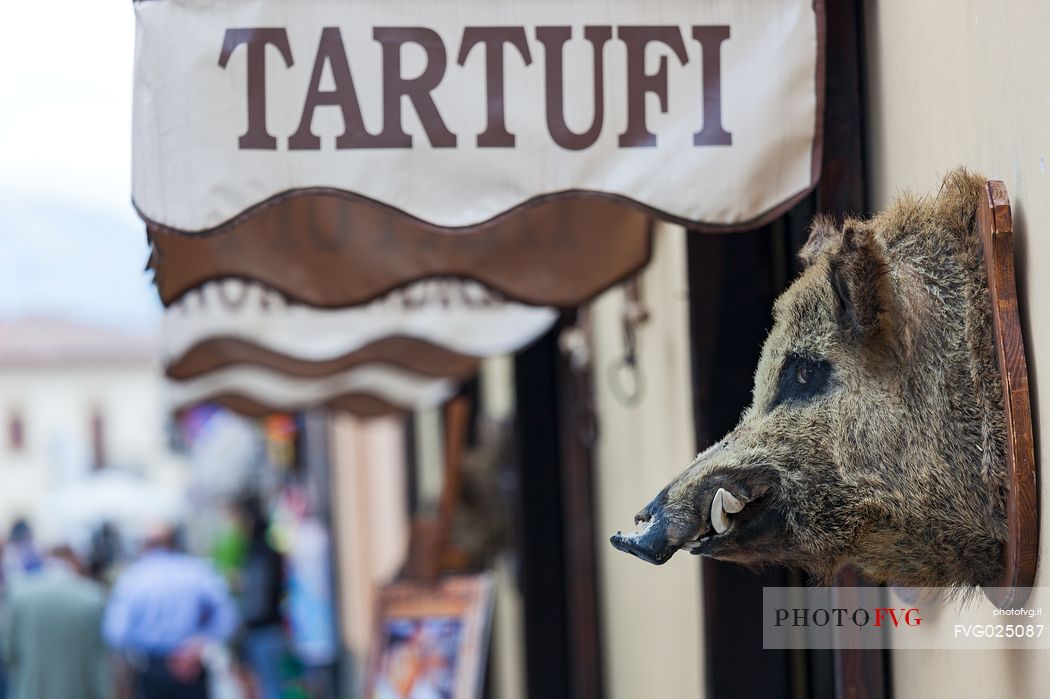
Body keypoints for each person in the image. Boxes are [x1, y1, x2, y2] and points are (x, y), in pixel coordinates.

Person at [103, 523, 237, 699]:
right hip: (192, 667)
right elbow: (228, 615)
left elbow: (115, 633)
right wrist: (198, 645)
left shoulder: (132, 578)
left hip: (153, 669)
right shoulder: (197, 571)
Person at [1, 545, 110, 699]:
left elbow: (10, 652)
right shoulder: (92, 597)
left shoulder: (20, 595)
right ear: (75, 562)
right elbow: (97, 664)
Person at [237, 497, 286, 699]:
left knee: (269, 686)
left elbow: (258, 598)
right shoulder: (271, 553)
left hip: (261, 627)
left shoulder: (255, 555)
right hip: (272, 626)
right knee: (274, 684)